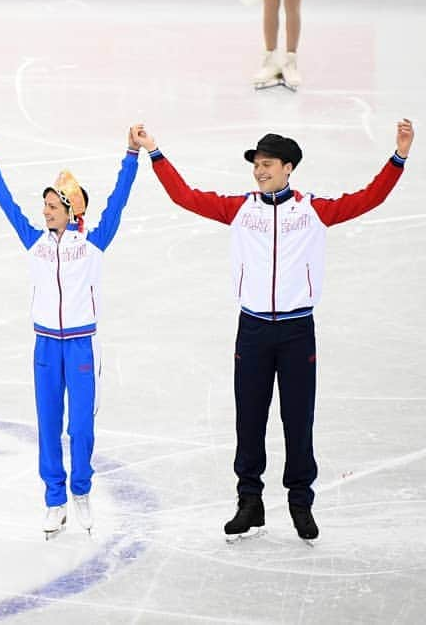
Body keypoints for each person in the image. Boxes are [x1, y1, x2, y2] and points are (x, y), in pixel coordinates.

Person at [137, 120, 414, 541]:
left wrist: (399, 156)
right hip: (252, 330)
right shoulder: (240, 209)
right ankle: (249, 501)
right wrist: (155, 152)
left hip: (297, 330)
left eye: (267, 164)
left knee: (297, 419)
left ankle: (300, 501)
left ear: (288, 168)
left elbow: (368, 199)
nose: (260, 171)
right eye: (256, 165)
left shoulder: (312, 210)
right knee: (249, 417)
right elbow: (186, 196)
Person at [0, 127, 143, 538]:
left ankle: (81, 490)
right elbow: (7, 205)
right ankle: (54, 499)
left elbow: (118, 201)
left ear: (72, 210)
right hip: (46, 346)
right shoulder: (34, 243)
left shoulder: (93, 244)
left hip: (82, 346)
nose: (46, 211)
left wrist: (131, 155)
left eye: (53, 205)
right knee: (49, 425)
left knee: (81, 427)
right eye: (45, 205)